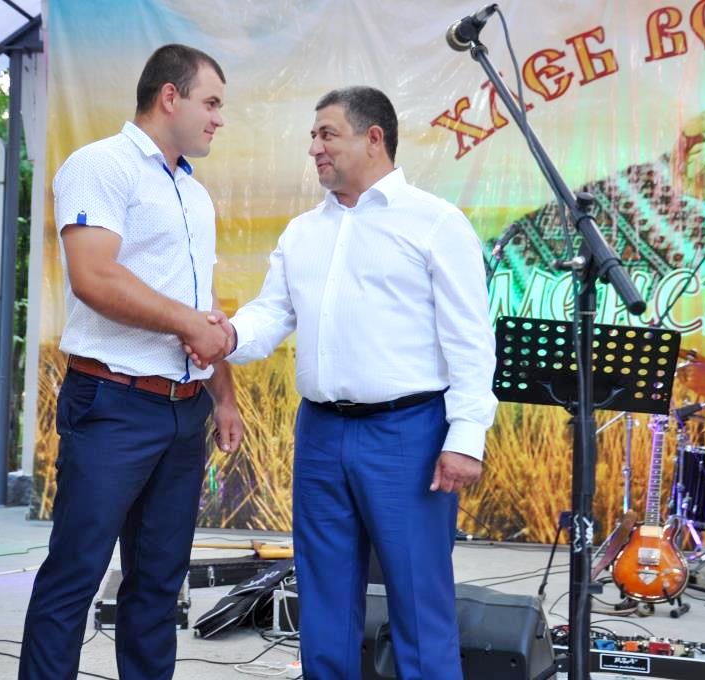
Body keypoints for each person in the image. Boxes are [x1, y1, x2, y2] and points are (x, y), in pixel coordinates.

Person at [187, 86, 497, 679]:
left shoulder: (436, 223)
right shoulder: (303, 232)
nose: (314, 148)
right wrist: (226, 336)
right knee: (323, 598)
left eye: (327, 134)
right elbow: (272, 312)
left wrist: (465, 437)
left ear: (373, 137)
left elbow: (470, 340)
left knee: (419, 599)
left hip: (409, 433)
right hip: (321, 433)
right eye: (313, 136)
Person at [19, 44, 243, 680]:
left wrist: (224, 396)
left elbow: (203, 306)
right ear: (169, 97)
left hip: (184, 411)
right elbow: (94, 277)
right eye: (211, 103)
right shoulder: (101, 165)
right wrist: (188, 324)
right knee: (76, 573)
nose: (219, 118)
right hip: (112, 404)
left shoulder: (193, 194)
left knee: (159, 583)